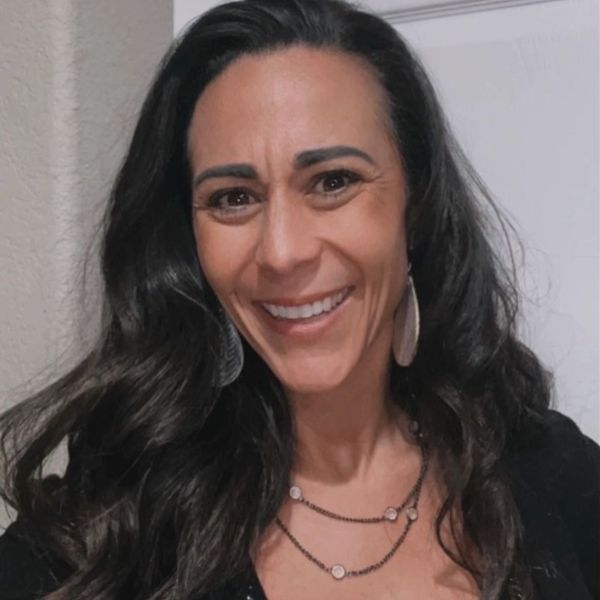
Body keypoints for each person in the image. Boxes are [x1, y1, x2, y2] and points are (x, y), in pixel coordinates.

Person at [0, 0, 597, 598]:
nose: (283, 253)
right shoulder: (95, 541)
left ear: (415, 207)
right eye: (233, 197)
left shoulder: (552, 474)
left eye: (334, 181)